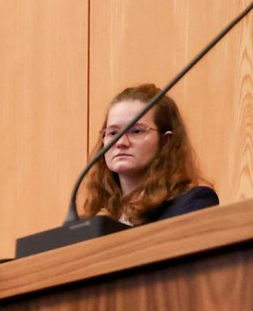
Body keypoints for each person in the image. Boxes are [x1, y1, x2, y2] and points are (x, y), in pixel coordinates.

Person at [78, 85, 219, 227]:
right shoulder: (92, 221)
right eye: (113, 133)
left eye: (137, 131)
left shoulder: (192, 204)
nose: (120, 142)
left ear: (165, 141)